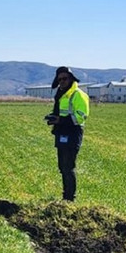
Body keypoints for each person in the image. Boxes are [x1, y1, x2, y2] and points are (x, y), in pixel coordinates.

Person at [46, 66, 89, 201]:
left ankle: (70, 199)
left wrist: (60, 120)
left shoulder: (78, 95)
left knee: (68, 167)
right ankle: (66, 197)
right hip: (62, 132)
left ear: (71, 78)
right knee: (62, 167)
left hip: (73, 132)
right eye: (59, 79)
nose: (62, 81)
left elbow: (81, 116)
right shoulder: (61, 94)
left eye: (65, 78)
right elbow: (61, 112)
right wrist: (54, 118)